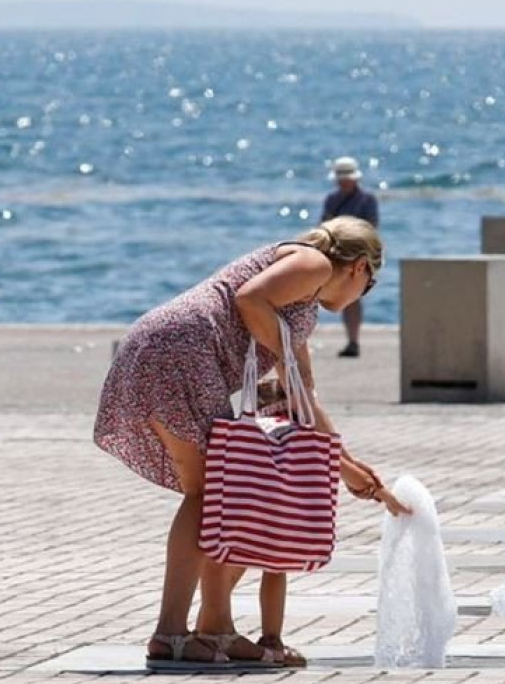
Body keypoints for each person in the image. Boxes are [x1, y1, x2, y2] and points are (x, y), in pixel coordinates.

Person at [93, 216, 410, 671]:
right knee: (210, 493)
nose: (364, 294)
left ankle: (207, 627)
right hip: (182, 350)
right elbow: (248, 299)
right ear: (360, 268)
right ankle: (175, 632)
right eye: (372, 285)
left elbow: (303, 397)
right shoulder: (313, 263)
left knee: (212, 492)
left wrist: (347, 466)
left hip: (165, 346)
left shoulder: (305, 304)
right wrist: (282, 351)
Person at [321, 156, 379, 358]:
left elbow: (371, 229)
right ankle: (351, 341)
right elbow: (323, 228)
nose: (343, 182)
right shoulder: (331, 200)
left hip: (359, 256)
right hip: (336, 256)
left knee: (353, 298)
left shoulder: (367, 200)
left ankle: (353, 341)